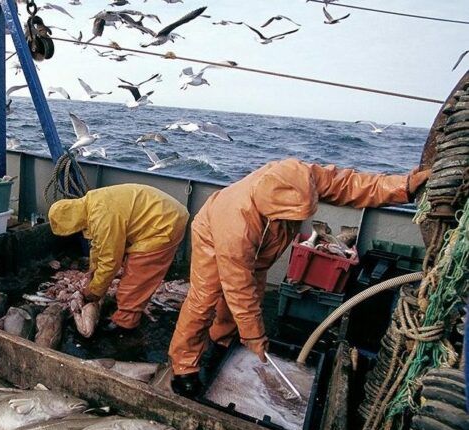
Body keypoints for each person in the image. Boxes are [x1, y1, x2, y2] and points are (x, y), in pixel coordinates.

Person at [168, 158, 431, 397]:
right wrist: (255, 335)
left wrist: (404, 187)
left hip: (262, 247)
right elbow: (238, 286)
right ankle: (184, 366)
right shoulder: (236, 224)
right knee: (205, 299)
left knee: (251, 298)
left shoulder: (303, 177)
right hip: (214, 237)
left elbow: (349, 184)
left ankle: (222, 341)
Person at [48, 184, 189, 331]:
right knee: (127, 271)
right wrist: (93, 271)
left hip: (164, 224)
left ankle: (125, 325)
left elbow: (110, 262)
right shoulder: (91, 203)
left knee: (135, 281)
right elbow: (99, 246)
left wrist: (95, 291)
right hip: (159, 213)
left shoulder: (103, 217)